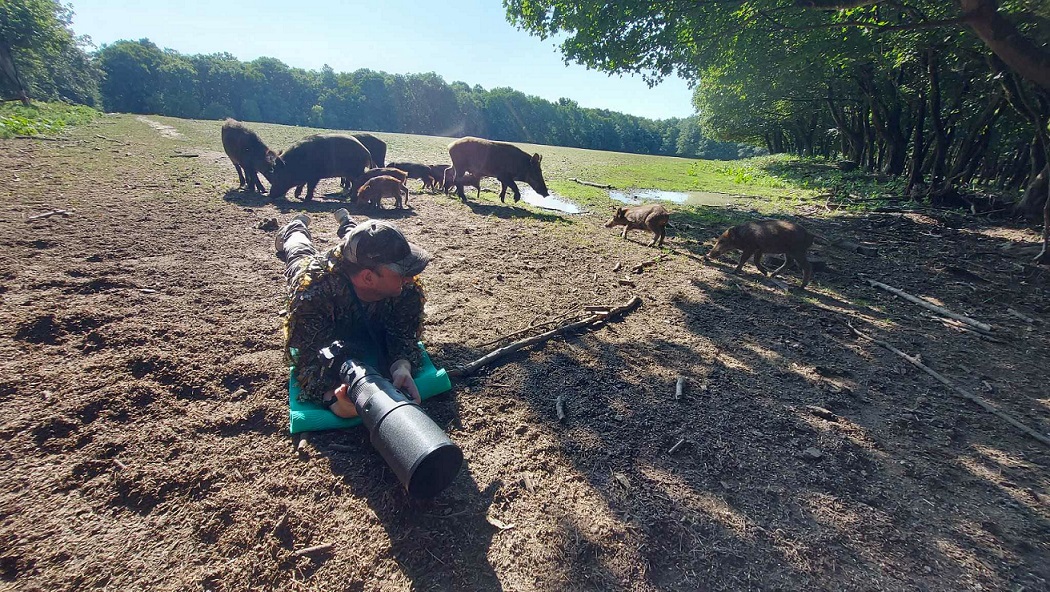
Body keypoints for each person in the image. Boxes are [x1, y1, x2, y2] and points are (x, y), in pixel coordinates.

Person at [274, 209, 431, 418]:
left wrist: (401, 366)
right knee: (299, 252)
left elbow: (403, 334)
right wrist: (332, 398)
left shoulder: (404, 288)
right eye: (402, 271)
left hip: (355, 258)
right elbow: (308, 357)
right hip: (313, 270)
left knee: (360, 240)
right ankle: (295, 227)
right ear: (368, 278)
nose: (410, 277)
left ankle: (346, 222)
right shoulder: (314, 293)